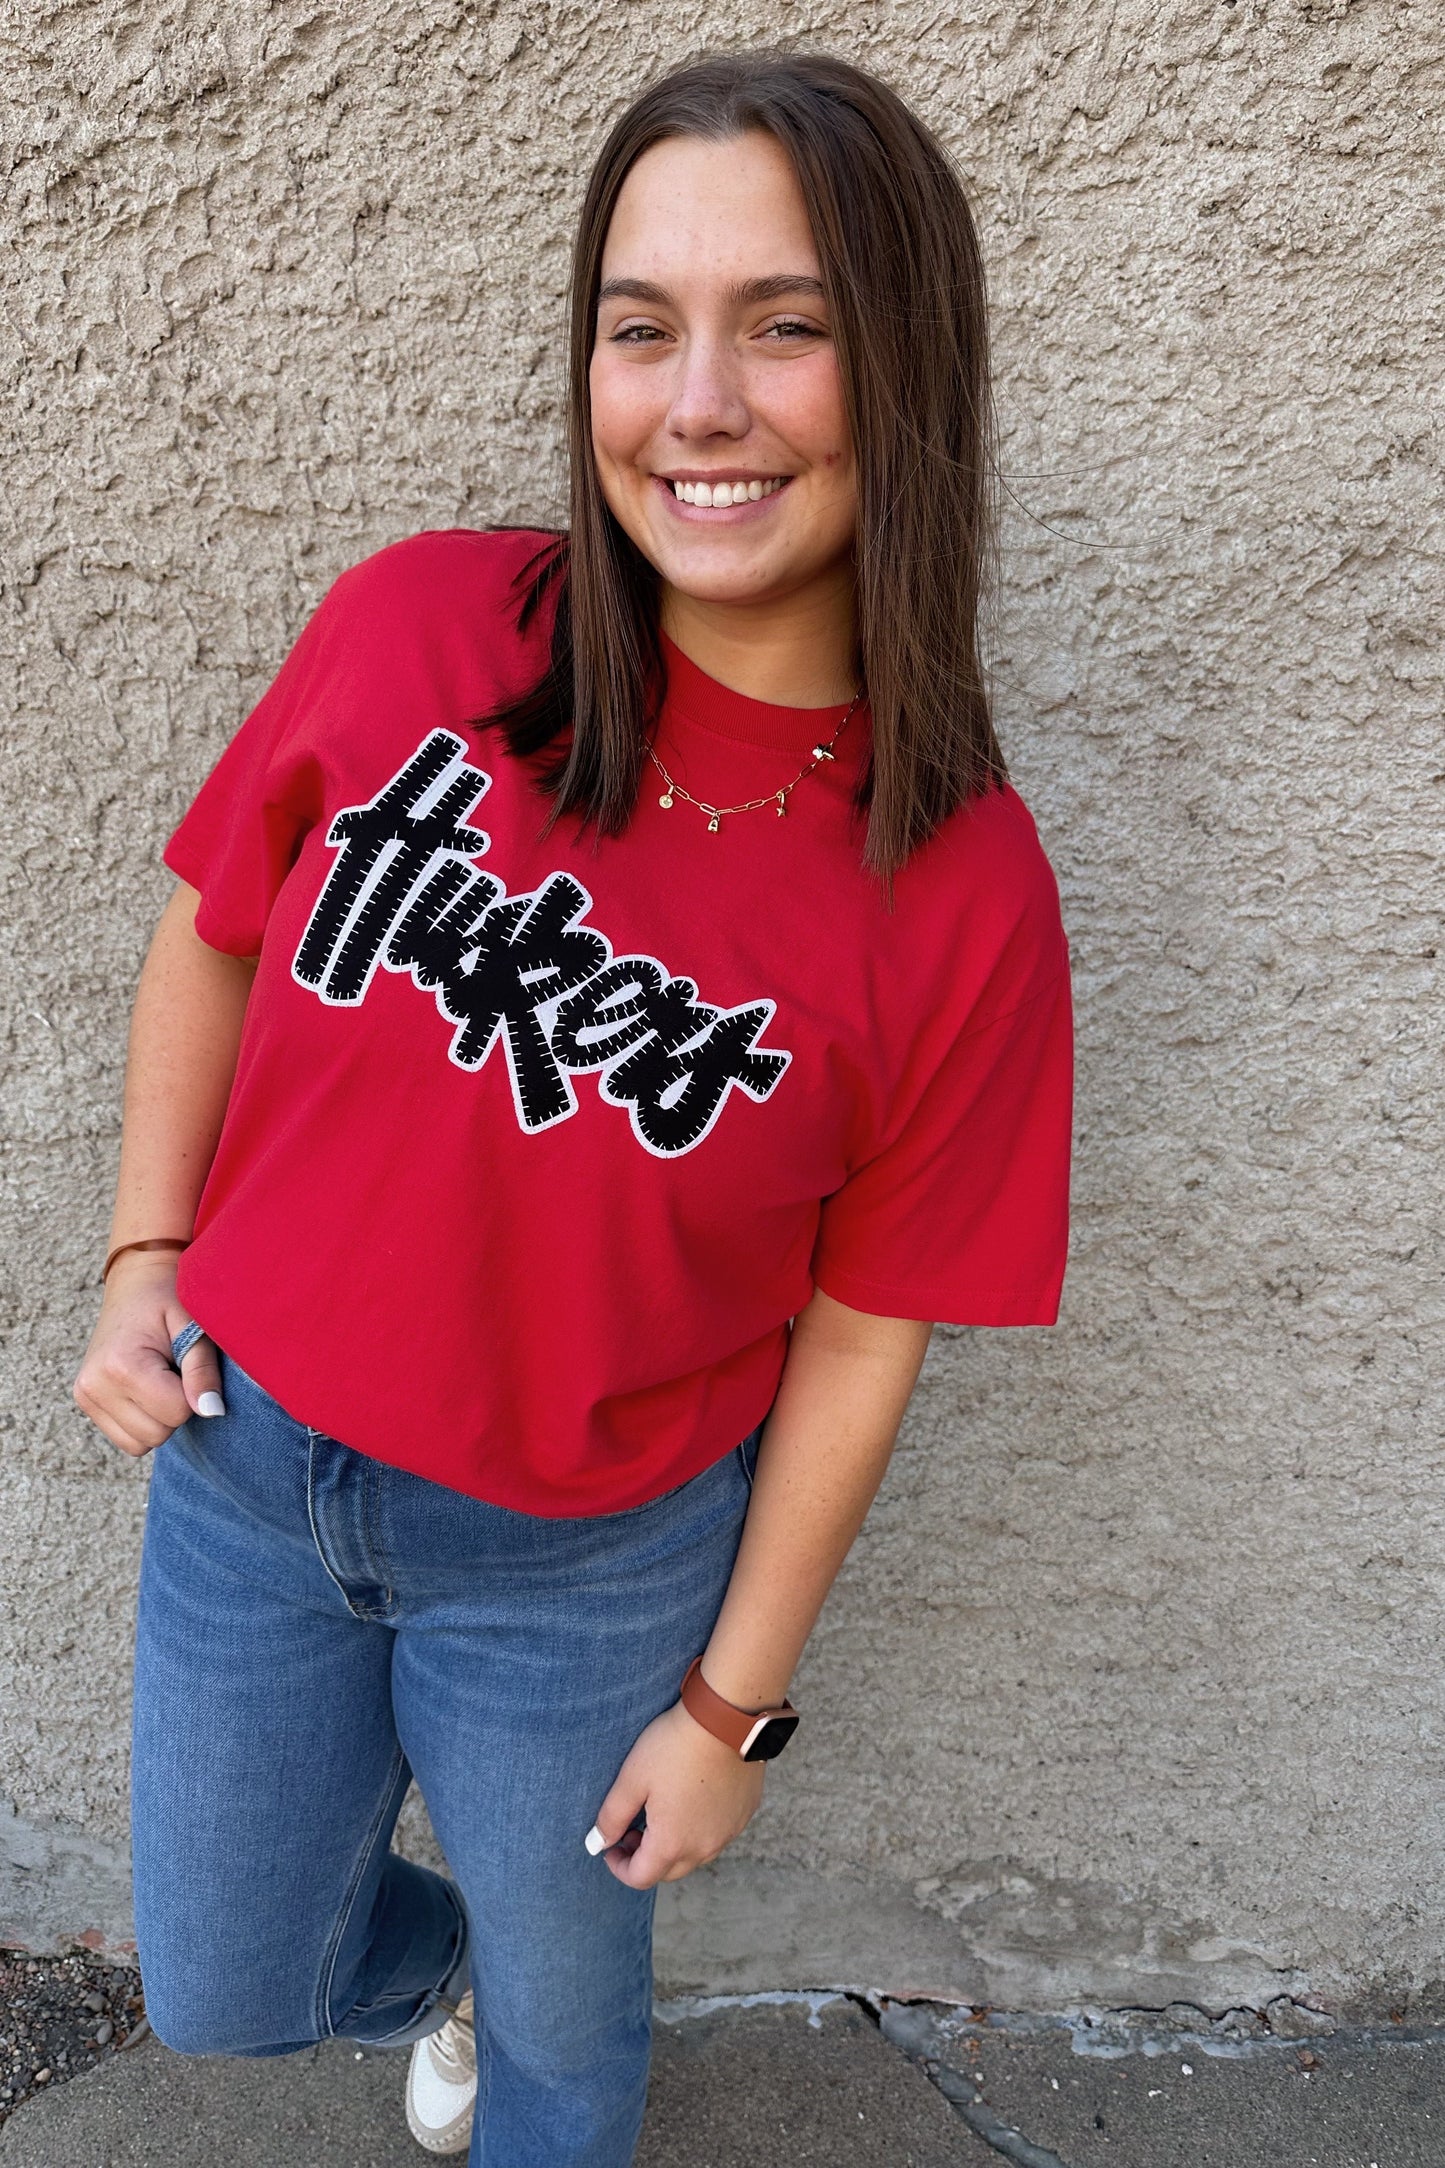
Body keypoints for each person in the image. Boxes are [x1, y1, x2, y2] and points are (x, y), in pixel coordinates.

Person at [73, 48, 1072, 2168]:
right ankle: (446, 1958)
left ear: (906, 369)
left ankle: (520, 1997)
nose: (697, 400)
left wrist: (732, 1711)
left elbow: (867, 1327)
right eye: (642, 327)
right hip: (250, 1482)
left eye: (785, 327)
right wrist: (145, 1254)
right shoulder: (431, 621)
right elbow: (214, 925)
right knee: (226, 1991)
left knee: (563, 2059)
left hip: (583, 1573)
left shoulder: (958, 884)